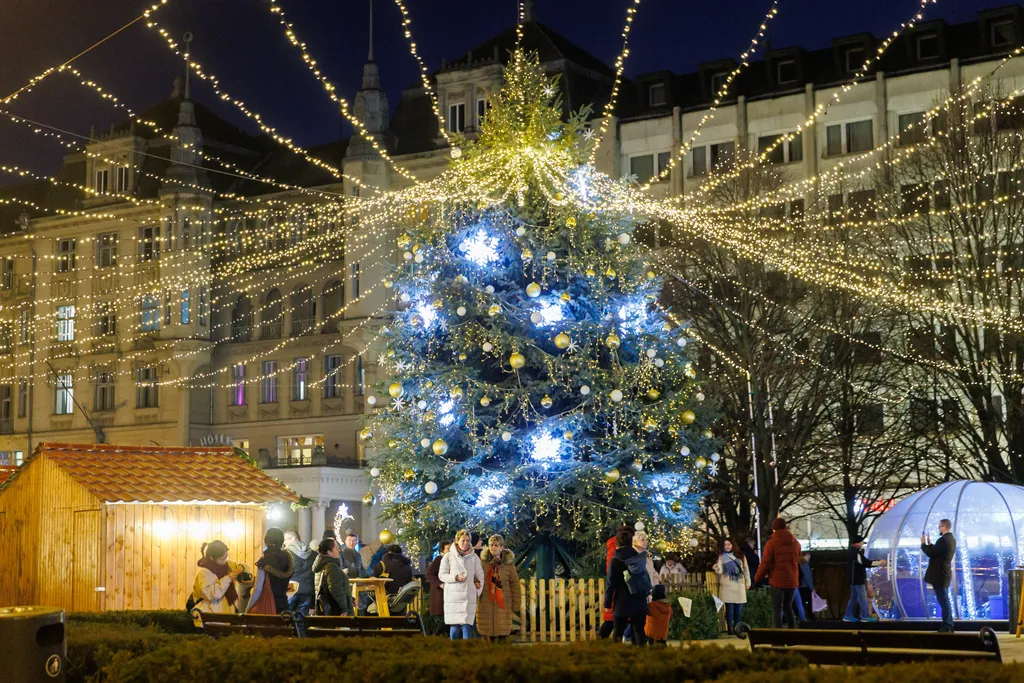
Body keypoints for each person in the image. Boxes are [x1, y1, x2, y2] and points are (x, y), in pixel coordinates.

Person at [604, 529, 650, 646]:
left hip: (622, 601)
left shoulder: (615, 560)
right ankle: (641, 658)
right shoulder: (639, 558)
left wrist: (607, 603)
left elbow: (611, 583)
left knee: (618, 632)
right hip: (639, 599)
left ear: (617, 544)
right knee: (639, 631)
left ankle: (618, 658)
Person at [754, 518, 801, 629]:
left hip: (777, 581)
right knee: (788, 606)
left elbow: (765, 562)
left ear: (774, 528)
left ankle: (778, 638)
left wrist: (757, 578)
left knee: (777, 609)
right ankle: (792, 636)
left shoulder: (771, 543)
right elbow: (797, 559)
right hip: (792, 581)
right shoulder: (796, 543)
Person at [439, 529, 484, 640]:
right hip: (454, 597)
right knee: (454, 627)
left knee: (466, 626)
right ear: (457, 540)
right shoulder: (448, 556)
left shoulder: (474, 557)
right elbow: (442, 575)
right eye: (463, 540)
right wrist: (455, 577)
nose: (466, 543)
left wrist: (477, 589)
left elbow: (480, 575)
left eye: (468, 541)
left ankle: (466, 652)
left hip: (469, 596)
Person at [477, 534, 522, 642]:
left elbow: (514, 585)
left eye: (496, 545)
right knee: (487, 636)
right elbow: (476, 579)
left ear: (501, 547)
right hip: (485, 602)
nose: (493, 547)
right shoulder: (482, 563)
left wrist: (516, 604)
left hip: (503, 603)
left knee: (502, 634)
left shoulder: (509, 565)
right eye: (491, 545)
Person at [921, 518, 956, 632]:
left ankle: (947, 625)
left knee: (943, 601)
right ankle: (949, 624)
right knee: (945, 600)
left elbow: (931, 554)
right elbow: (937, 552)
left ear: (945, 527)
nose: (938, 528)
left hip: (939, 574)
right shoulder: (951, 539)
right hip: (944, 573)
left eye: (940, 526)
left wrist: (923, 544)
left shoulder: (943, 540)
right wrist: (931, 545)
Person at [843, 534, 886, 623]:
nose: (862, 544)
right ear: (857, 543)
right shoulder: (855, 553)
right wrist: (879, 562)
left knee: (854, 597)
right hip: (857, 579)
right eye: (862, 542)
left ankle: (848, 615)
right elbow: (865, 563)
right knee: (862, 597)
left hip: (853, 579)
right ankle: (865, 616)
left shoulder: (851, 552)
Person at [599, 525, 632, 639]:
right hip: (620, 592)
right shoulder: (619, 551)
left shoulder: (615, 548)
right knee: (613, 621)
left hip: (619, 592)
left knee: (617, 622)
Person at [192, 540, 243, 614]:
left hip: (223, 616)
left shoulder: (226, 567)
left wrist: (241, 567)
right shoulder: (204, 573)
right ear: (212, 558)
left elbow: (240, 566)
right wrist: (228, 578)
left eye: (226, 557)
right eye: (222, 559)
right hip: (210, 617)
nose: (225, 561)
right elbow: (211, 594)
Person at [714, 538, 751, 634]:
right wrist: (716, 568)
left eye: (729, 544)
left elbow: (746, 570)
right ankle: (730, 628)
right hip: (727, 585)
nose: (727, 546)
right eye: (725, 544)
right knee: (729, 608)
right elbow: (720, 570)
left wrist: (748, 583)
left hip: (739, 585)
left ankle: (736, 627)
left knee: (738, 609)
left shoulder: (741, 556)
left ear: (733, 545)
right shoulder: (722, 557)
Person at [256, 527, 294, 614]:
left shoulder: (264, 561)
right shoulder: (288, 559)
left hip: (267, 607)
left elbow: (257, 589)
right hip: (284, 606)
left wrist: (248, 608)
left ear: (266, 541)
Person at [312, 538, 354, 616]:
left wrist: (351, 599)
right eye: (336, 547)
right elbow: (336, 589)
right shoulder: (331, 566)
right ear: (329, 552)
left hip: (327, 607)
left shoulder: (321, 564)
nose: (339, 550)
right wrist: (344, 609)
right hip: (335, 608)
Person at [284, 529, 315, 614]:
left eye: (286, 540)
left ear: (293, 538)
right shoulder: (313, 553)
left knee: (287, 618)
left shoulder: (286, 552)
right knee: (301, 619)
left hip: (291, 588)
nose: (284, 543)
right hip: (308, 590)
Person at [427, 541, 451, 620]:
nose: (450, 550)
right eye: (448, 548)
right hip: (440, 591)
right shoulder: (439, 559)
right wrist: (440, 584)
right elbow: (429, 573)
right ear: (442, 550)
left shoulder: (450, 559)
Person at [797, 551, 814, 621]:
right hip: (806, 587)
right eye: (808, 557)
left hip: (799, 586)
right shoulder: (805, 564)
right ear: (806, 555)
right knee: (808, 603)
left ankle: (800, 616)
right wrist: (812, 588)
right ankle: (807, 617)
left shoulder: (798, 563)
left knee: (800, 602)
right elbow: (808, 576)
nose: (809, 558)